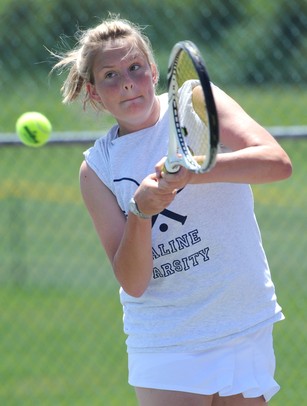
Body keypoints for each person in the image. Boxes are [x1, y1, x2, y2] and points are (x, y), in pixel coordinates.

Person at [52, 15, 292, 406]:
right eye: (110, 76)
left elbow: (276, 162)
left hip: (242, 318)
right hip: (167, 338)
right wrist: (141, 213)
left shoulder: (193, 99)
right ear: (94, 94)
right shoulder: (97, 169)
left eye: (134, 68)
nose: (127, 82)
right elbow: (133, 282)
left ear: (152, 71)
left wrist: (192, 172)